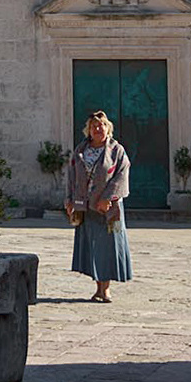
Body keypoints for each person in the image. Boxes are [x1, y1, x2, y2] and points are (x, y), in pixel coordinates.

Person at [65, 109, 132, 302]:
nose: (97, 129)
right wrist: (69, 200)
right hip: (85, 206)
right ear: (88, 130)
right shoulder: (80, 150)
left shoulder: (116, 150)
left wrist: (108, 197)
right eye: (93, 126)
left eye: (101, 125)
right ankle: (98, 288)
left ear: (107, 128)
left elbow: (121, 174)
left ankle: (106, 289)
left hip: (109, 208)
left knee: (109, 246)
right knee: (93, 247)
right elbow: (71, 177)